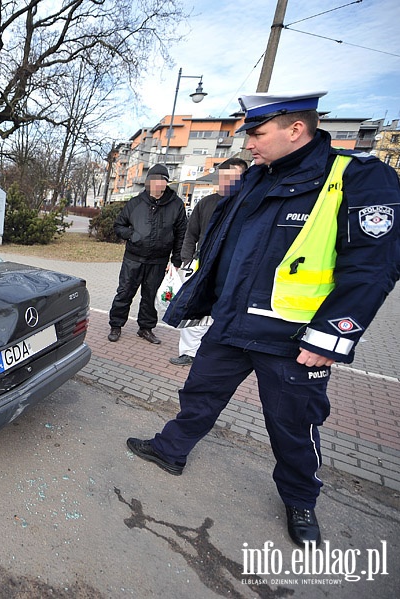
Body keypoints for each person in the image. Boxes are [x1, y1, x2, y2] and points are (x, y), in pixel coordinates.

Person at [126, 91, 400, 547]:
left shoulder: (358, 177)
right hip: (232, 324)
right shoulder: (256, 178)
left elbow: (373, 268)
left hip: (295, 338)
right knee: (199, 393)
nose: (248, 143)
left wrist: (331, 338)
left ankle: (300, 500)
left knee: (292, 424)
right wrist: (201, 298)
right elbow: (225, 245)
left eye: (256, 132)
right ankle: (170, 450)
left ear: (296, 129)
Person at [169, 156, 248, 365]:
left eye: (233, 178)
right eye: (223, 178)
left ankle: (215, 355)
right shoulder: (206, 203)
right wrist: (185, 261)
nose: (226, 183)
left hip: (233, 269)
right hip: (201, 266)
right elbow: (190, 234)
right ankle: (189, 352)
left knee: (222, 313)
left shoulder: (248, 206)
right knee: (194, 310)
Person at [108, 163, 187, 344]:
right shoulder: (136, 203)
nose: (158, 184)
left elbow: (182, 232)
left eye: (162, 181)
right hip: (133, 258)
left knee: (150, 296)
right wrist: (132, 235)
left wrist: (176, 259)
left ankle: (146, 328)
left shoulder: (176, 205)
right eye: (154, 180)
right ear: (148, 182)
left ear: (167, 183)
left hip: (158, 261)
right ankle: (116, 325)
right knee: (125, 292)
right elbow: (119, 225)